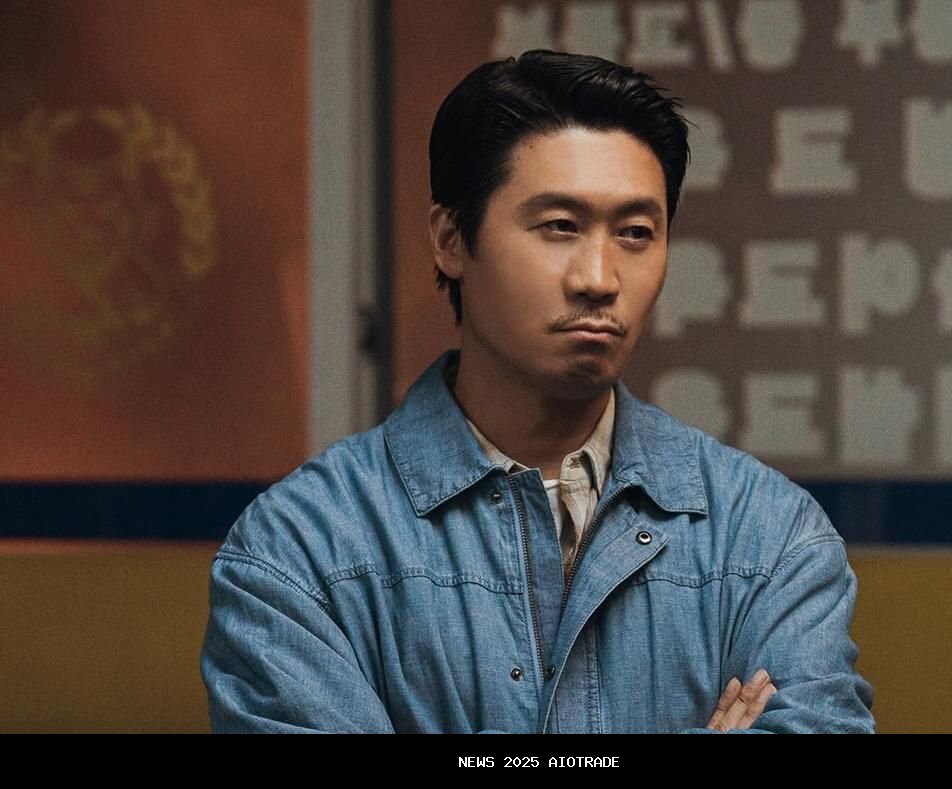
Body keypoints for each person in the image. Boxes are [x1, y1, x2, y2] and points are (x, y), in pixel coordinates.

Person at [201, 50, 874, 734]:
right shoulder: (303, 549)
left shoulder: (766, 535)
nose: (599, 278)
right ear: (451, 239)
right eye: (560, 226)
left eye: (636, 233)